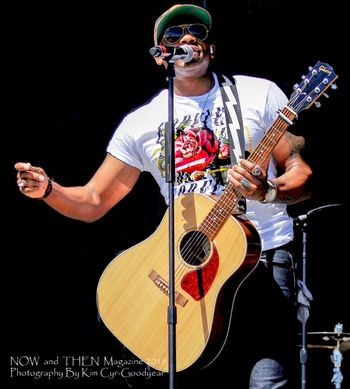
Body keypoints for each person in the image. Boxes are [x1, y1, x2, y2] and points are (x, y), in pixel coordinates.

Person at [15, 3, 312, 388]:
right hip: (182, 275)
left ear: (211, 47)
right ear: (160, 56)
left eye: (196, 32)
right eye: (173, 35)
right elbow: (92, 201)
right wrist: (49, 190)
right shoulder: (140, 123)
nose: (187, 39)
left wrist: (268, 190)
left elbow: (301, 172)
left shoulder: (259, 93)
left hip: (260, 261)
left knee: (266, 382)